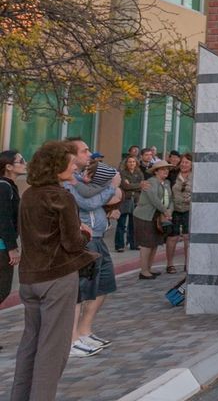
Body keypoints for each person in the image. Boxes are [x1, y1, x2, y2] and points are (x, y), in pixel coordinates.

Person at [10, 141, 97, 401]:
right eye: (69, 162)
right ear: (56, 167)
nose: (74, 166)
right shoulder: (61, 196)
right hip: (57, 278)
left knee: (30, 344)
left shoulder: (29, 194)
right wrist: (84, 234)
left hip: (29, 278)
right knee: (53, 349)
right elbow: (71, 243)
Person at [64, 140, 119, 358]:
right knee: (82, 289)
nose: (89, 154)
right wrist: (112, 188)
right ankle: (72, 337)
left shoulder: (81, 179)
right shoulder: (68, 182)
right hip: (84, 240)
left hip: (99, 237)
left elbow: (106, 197)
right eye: (84, 151)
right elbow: (87, 203)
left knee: (103, 284)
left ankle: (85, 330)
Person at [133, 159, 173, 283]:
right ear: (156, 171)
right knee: (146, 244)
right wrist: (165, 211)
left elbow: (171, 199)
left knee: (154, 243)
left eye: (167, 169)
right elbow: (153, 199)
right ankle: (143, 271)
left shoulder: (166, 182)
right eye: (163, 169)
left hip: (157, 217)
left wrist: (170, 210)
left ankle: (149, 268)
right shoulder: (151, 182)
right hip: (145, 216)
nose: (166, 171)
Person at [0, 150, 25, 310]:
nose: (25, 163)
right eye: (20, 161)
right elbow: (3, 219)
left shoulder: (8, 186)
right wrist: (12, 248)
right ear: (8, 166)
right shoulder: (4, 187)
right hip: (2, 247)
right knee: (2, 290)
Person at [166, 153, 192, 274]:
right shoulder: (173, 175)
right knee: (172, 237)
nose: (184, 164)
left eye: (187, 162)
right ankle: (170, 264)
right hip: (174, 208)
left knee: (187, 237)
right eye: (182, 162)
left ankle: (188, 263)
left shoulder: (195, 176)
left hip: (189, 209)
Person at [115, 155, 141, 253]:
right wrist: (134, 186)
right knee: (121, 223)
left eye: (133, 162)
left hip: (135, 200)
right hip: (125, 200)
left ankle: (133, 243)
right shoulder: (122, 173)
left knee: (133, 224)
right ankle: (119, 245)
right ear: (126, 163)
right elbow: (125, 186)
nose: (132, 163)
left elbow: (142, 185)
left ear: (136, 163)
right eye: (130, 162)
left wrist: (131, 185)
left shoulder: (139, 173)